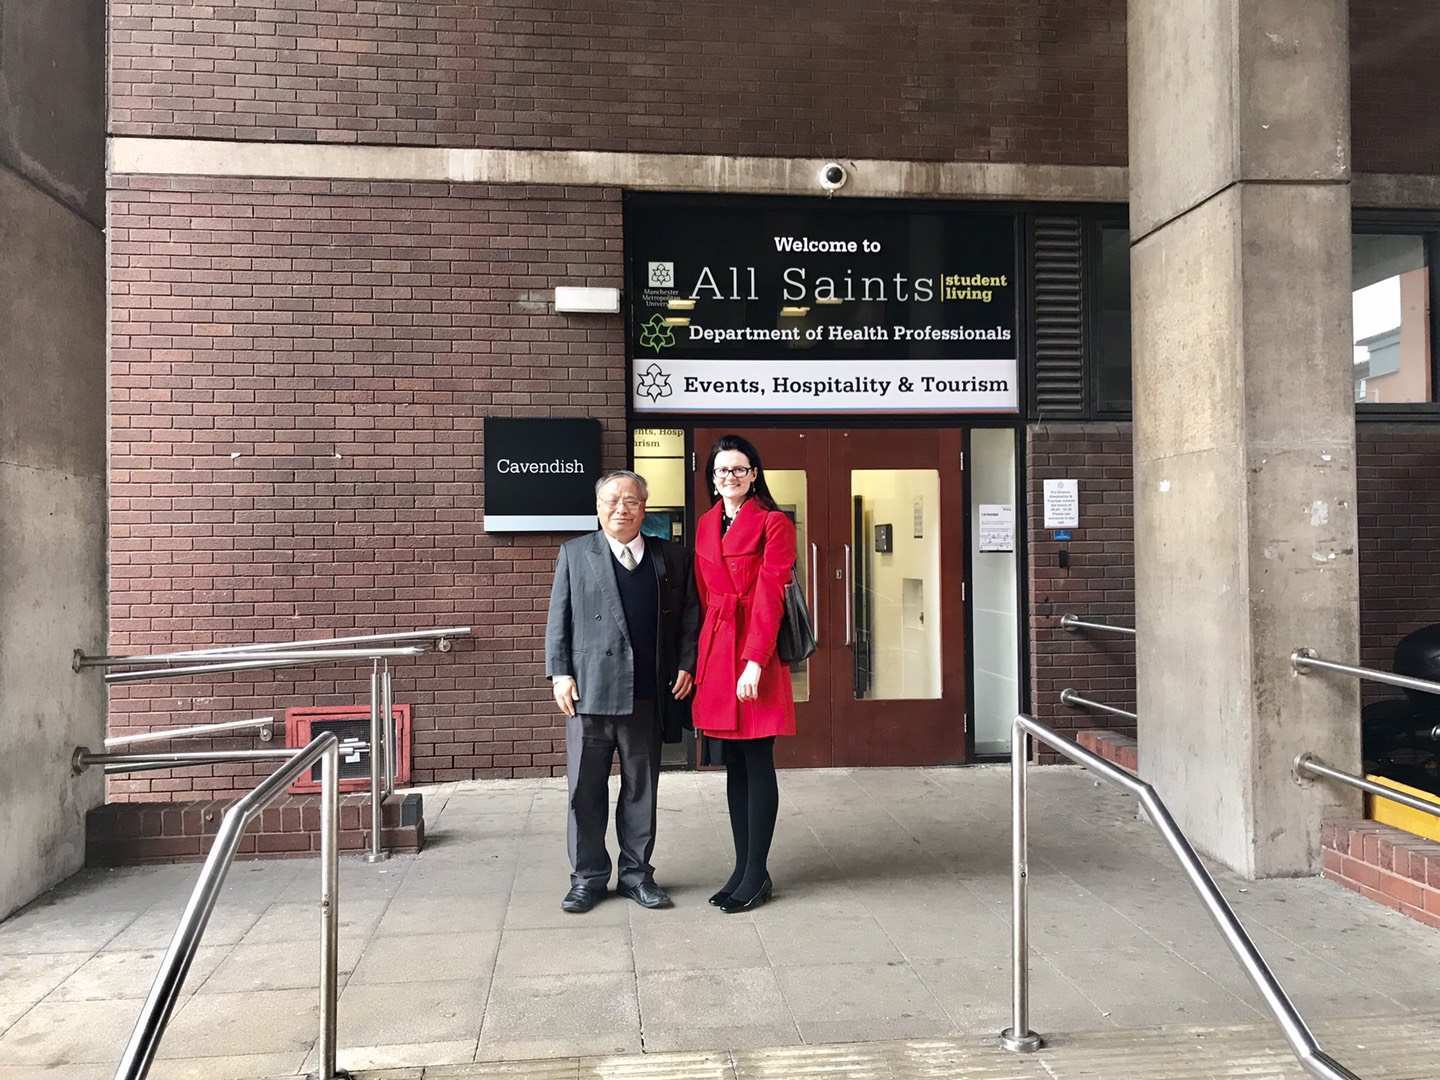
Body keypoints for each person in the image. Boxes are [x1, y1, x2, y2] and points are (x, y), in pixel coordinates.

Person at [545, 470, 699, 913]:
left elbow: (690, 615)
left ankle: (636, 875)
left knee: (641, 792)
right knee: (585, 793)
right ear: (598, 508)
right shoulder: (575, 553)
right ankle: (587, 879)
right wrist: (560, 673)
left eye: (631, 501)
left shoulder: (671, 557)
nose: (621, 509)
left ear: (644, 508)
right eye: (611, 501)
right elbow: (559, 618)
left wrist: (687, 663)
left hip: (646, 693)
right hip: (588, 693)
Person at [692, 435, 797, 914]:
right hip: (718, 650)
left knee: (757, 759)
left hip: (756, 649)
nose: (729, 477)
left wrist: (755, 660)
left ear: (754, 475)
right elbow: (703, 595)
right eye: (722, 470)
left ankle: (756, 872)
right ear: (712, 478)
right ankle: (742, 868)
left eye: (739, 469)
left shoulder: (774, 523)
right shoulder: (706, 523)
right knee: (733, 763)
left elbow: (772, 594)